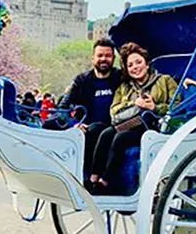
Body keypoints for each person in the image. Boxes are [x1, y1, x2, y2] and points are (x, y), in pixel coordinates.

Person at [89, 42, 179, 193]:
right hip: (129, 122)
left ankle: (105, 181)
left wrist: (154, 107)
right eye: (130, 65)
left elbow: (177, 106)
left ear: (147, 64)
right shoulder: (125, 87)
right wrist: (134, 103)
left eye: (138, 62)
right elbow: (114, 110)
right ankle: (93, 178)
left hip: (153, 126)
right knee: (105, 134)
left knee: (121, 138)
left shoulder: (165, 81)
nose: (135, 67)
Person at [51, 38, 121, 182]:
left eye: (108, 56)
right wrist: (74, 124)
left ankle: (93, 181)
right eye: (100, 55)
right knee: (51, 125)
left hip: (112, 129)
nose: (104, 59)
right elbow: (63, 107)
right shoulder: (82, 80)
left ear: (113, 58)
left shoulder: (120, 78)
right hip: (85, 128)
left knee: (96, 131)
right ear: (93, 58)